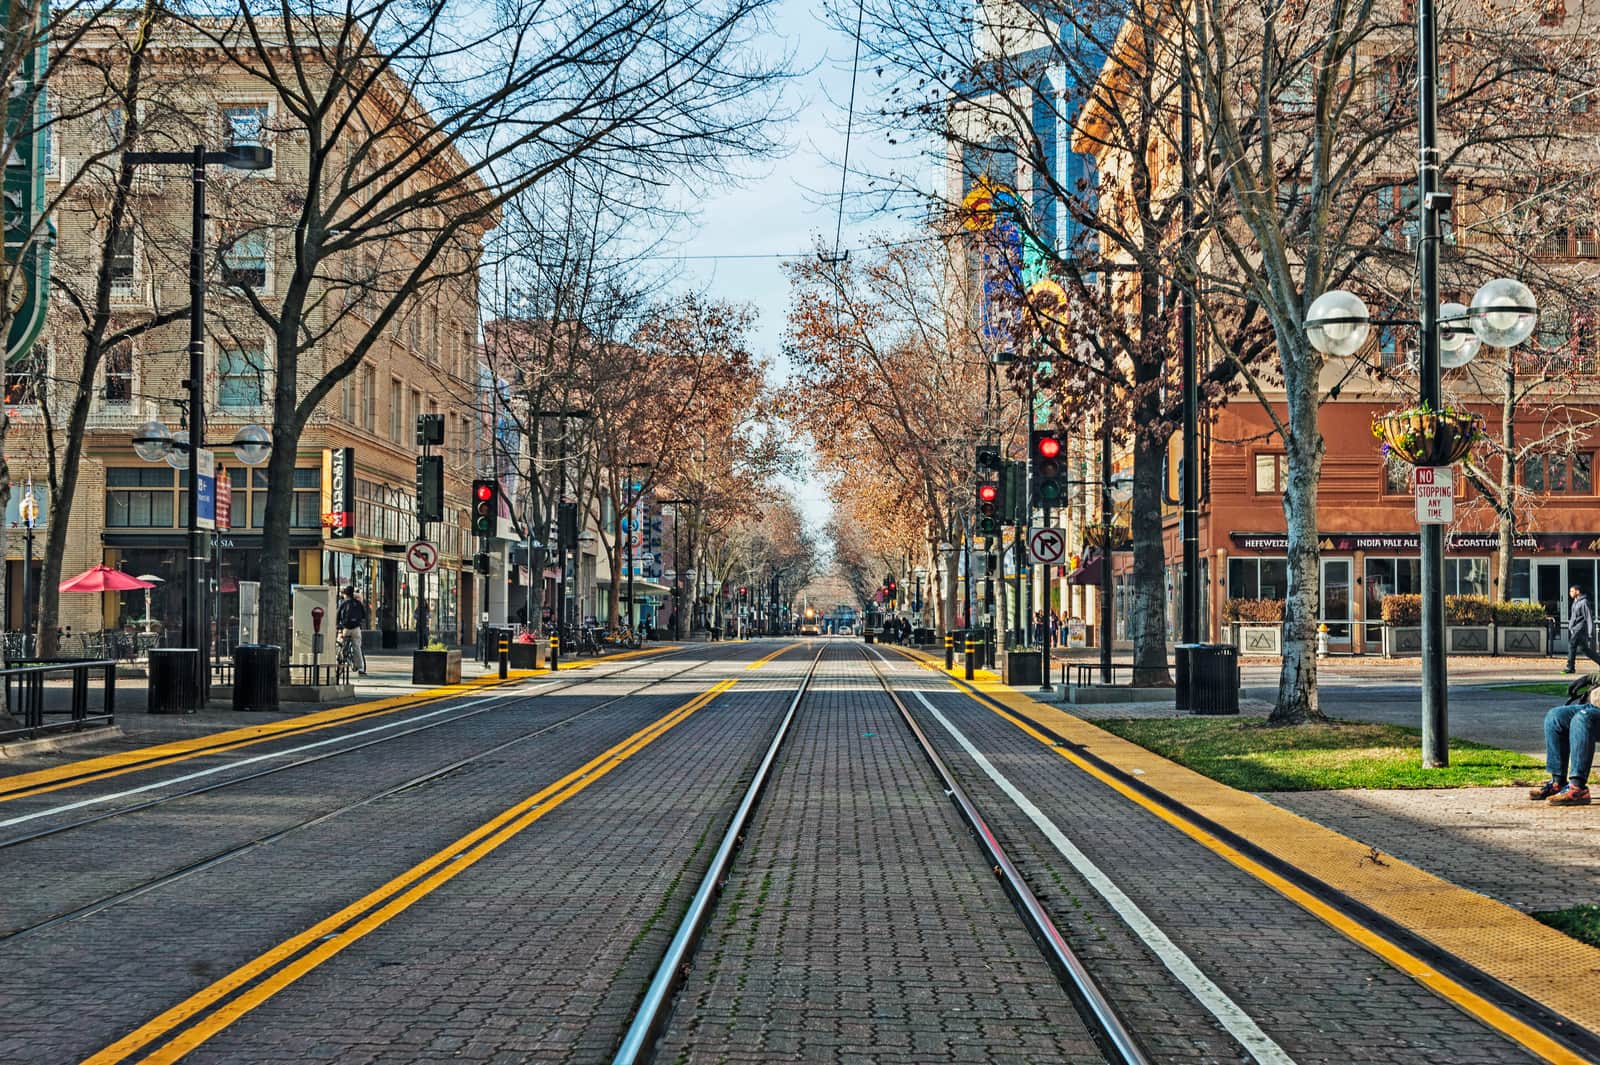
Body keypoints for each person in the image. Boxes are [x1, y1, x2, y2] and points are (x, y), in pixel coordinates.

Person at [1529, 673, 1598, 805]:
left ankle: (1577, 788)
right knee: (1555, 716)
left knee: (1582, 719)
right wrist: (1591, 679)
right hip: (1595, 705)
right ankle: (1558, 782)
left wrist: (1592, 678)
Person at [1564, 585, 1600, 674]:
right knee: (1585, 649)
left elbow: (1588, 617)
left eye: (1572, 591)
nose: (1570, 593)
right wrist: (1571, 626)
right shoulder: (1575, 602)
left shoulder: (1584, 602)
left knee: (1571, 645)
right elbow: (1573, 616)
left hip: (1580, 629)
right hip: (1575, 628)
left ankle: (1570, 667)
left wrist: (1590, 632)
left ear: (1578, 592)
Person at [336, 586, 368, 675]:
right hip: (356, 629)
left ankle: (340, 664)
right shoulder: (358, 603)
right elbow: (364, 616)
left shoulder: (343, 604)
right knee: (357, 648)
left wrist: (338, 627)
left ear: (345, 594)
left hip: (345, 628)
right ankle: (360, 668)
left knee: (340, 645)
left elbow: (337, 616)